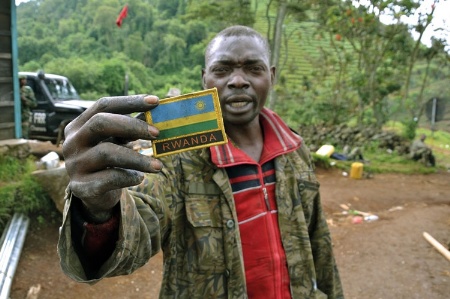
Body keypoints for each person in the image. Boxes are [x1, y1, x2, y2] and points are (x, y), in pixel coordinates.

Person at [58, 25, 344, 298]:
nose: (238, 80)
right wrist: (100, 209)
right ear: (204, 79)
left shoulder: (295, 150)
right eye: (222, 70)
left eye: (253, 69)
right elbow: (142, 225)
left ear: (271, 76)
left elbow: (319, 243)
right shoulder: (176, 160)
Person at [19, 74, 37, 138]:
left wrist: (25, 100)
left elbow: (34, 104)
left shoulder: (27, 90)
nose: (23, 81)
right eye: (21, 80)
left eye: (24, 79)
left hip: (24, 117)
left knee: (24, 135)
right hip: (14, 118)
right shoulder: (14, 90)